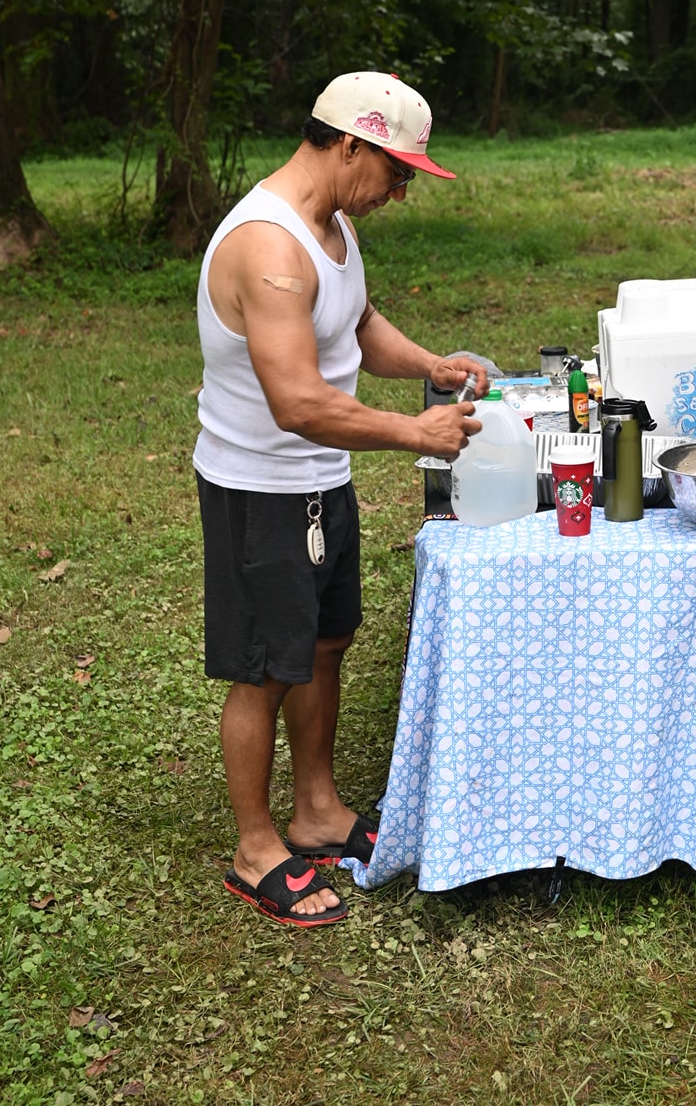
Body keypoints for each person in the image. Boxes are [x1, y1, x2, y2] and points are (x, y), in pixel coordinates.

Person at [194, 71, 489, 928]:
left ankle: (316, 811)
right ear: (349, 143)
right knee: (262, 669)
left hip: (320, 479)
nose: (400, 191)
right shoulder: (268, 247)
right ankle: (256, 850)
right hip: (259, 487)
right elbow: (297, 400)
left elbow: (355, 325)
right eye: (395, 171)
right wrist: (414, 433)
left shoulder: (332, 226)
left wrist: (427, 364)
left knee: (325, 643)